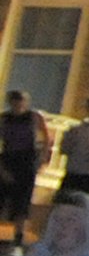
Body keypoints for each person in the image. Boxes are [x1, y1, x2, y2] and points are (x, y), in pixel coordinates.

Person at [0, 89, 51, 245]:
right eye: (15, 101)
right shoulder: (4, 118)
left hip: (27, 160)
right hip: (8, 158)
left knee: (22, 200)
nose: (18, 104)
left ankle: (18, 236)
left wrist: (43, 158)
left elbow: (46, 138)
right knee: (2, 197)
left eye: (21, 100)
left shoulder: (34, 117)